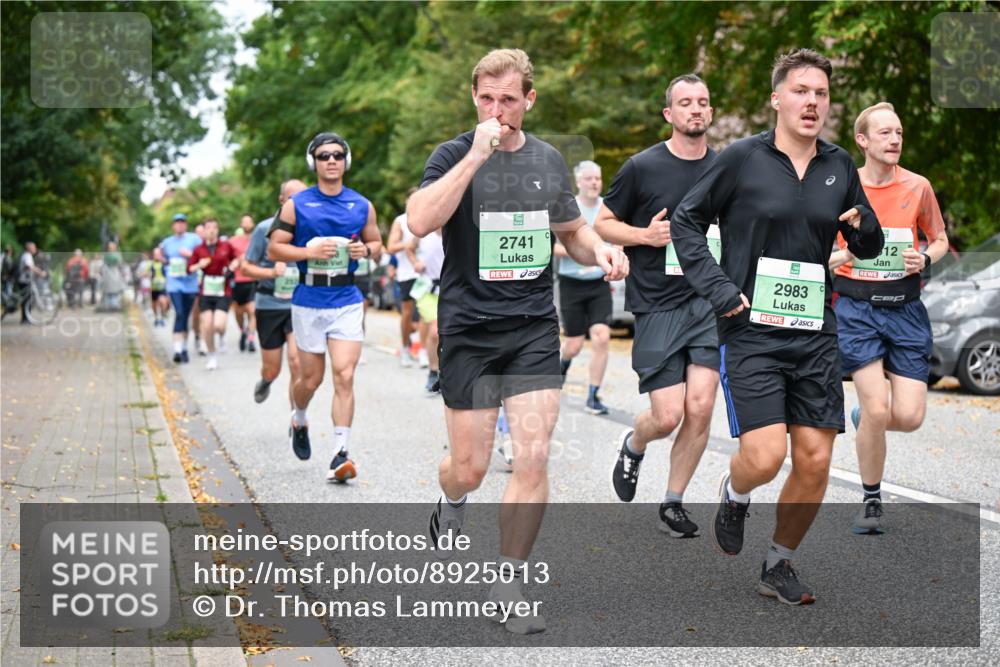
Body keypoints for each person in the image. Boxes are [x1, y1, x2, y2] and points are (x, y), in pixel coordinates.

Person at [407, 48, 627, 634]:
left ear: (529, 99)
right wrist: (476, 155)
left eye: (509, 99)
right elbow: (421, 220)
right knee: (471, 468)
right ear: (473, 97)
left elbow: (572, 231)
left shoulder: (549, 160)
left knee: (531, 456)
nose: (498, 110)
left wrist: (599, 250)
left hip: (532, 327)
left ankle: (508, 581)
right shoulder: (453, 154)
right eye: (487, 99)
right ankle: (450, 500)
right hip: (470, 330)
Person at [670, 49, 884, 605]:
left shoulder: (840, 166)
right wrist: (718, 289)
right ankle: (736, 492)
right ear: (777, 98)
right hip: (751, 330)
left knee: (814, 461)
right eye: (801, 91)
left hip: (814, 331)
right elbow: (687, 222)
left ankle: (778, 564)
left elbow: (868, 241)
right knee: (765, 457)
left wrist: (865, 231)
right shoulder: (741, 158)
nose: (811, 102)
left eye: (821, 93)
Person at [593, 74, 720, 537]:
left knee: (702, 406)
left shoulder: (726, 168)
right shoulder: (642, 167)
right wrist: (644, 236)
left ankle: (673, 501)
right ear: (669, 114)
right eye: (685, 103)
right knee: (668, 415)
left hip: (708, 303)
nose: (695, 110)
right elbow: (603, 223)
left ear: (710, 112)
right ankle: (634, 443)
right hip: (657, 304)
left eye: (703, 102)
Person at [827, 102, 949, 535]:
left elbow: (938, 239)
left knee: (910, 416)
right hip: (857, 307)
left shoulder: (918, 186)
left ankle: (868, 419)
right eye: (885, 133)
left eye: (898, 132)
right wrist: (852, 251)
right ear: (862, 141)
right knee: (879, 408)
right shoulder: (842, 187)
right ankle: (872, 499)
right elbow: (825, 252)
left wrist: (924, 259)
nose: (895, 140)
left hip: (906, 308)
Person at [269, 132, 383, 481]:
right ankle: (299, 417)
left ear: (345, 161)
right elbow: (275, 248)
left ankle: (340, 453)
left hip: (347, 299)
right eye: (323, 156)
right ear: (313, 162)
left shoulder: (361, 204)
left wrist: (368, 251)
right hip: (309, 300)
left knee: (345, 374)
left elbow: (377, 241)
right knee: (310, 378)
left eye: (336, 155)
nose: (330, 161)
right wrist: (307, 253)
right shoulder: (297, 204)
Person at [555, 161, 614, 415]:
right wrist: (587, 254)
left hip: (599, 284)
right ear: (578, 182)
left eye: (597, 178)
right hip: (572, 284)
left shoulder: (607, 209)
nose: (594, 182)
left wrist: (612, 255)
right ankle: (560, 370)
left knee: (602, 336)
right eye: (588, 178)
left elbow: (615, 241)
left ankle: (593, 395)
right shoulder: (569, 209)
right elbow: (555, 248)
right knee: (574, 344)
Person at [243, 179, 308, 404]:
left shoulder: (310, 229)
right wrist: (270, 273)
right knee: (272, 369)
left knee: (297, 362)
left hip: (298, 304)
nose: (297, 204)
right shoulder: (264, 229)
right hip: (269, 304)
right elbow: (245, 267)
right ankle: (266, 380)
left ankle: (297, 421)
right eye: (292, 199)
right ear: (282, 200)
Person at [188, 219, 239, 370]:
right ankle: (212, 355)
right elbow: (189, 268)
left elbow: (238, 258)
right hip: (206, 291)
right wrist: (199, 265)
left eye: (214, 227)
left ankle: (222, 336)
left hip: (223, 290)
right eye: (208, 228)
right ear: (203, 231)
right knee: (207, 324)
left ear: (217, 230)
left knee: (218, 324)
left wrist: (232, 267)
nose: (211, 230)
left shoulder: (226, 245)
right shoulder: (198, 249)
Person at [160, 213, 202, 363]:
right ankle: (177, 349)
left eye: (182, 222)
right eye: (177, 222)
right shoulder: (167, 242)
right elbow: (163, 260)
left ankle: (184, 347)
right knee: (179, 312)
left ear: (186, 225)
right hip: (174, 283)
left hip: (190, 284)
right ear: (173, 225)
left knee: (186, 316)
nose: (180, 225)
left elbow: (203, 257)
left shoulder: (194, 239)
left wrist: (190, 255)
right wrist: (161, 258)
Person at [387, 196, 421, 367]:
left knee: (430, 314)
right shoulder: (400, 221)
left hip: (428, 273)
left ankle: (425, 351)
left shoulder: (431, 216)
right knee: (408, 313)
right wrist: (407, 245)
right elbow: (390, 247)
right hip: (407, 273)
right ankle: (406, 349)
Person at [413, 226, 445, 394]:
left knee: (444, 334)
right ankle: (433, 372)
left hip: (450, 289)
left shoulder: (455, 229)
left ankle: (446, 373)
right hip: (428, 289)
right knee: (435, 332)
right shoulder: (422, 232)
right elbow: (409, 248)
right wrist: (415, 263)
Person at [230, 214, 258, 353]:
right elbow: (227, 260)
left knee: (253, 311)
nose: (247, 224)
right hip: (238, 281)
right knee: (239, 313)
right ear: (241, 225)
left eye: (249, 221)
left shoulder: (257, 240)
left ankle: (251, 338)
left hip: (253, 280)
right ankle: (243, 331)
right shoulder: (233, 241)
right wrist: (235, 262)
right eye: (244, 222)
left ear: (253, 224)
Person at [16, 242, 45, 324]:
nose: (35, 249)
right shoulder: (27, 256)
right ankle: (25, 319)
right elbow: (30, 266)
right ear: (30, 248)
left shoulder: (27, 255)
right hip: (25, 280)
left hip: (25, 280)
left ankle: (26, 318)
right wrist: (40, 272)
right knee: (27, 300)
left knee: (26, 299)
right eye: (34, 247)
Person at [150, 246, 169, 327]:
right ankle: (156, 318)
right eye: (155, 254)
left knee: (163, 301)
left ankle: (162, 317)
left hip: (163, 287)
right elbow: (145, 273)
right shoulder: (150, 264)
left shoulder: (165, 264)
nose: (156, 256)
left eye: (158, 254)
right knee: (154, 304)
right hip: (154, 287)